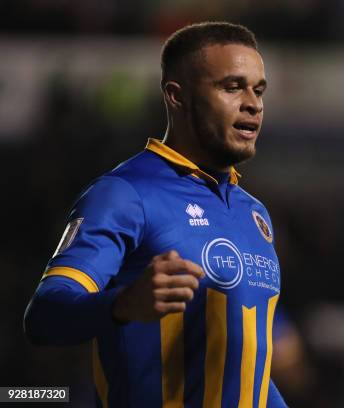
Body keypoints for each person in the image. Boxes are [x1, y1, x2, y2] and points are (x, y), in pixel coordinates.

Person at [24, 21, 287, 407]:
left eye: (258, 89)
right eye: (232, 87)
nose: (253, 103)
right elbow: (44, 316)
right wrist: (122, 304)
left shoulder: (254, 214)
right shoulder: (125, 193)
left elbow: (246, 371)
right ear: (176, 96)